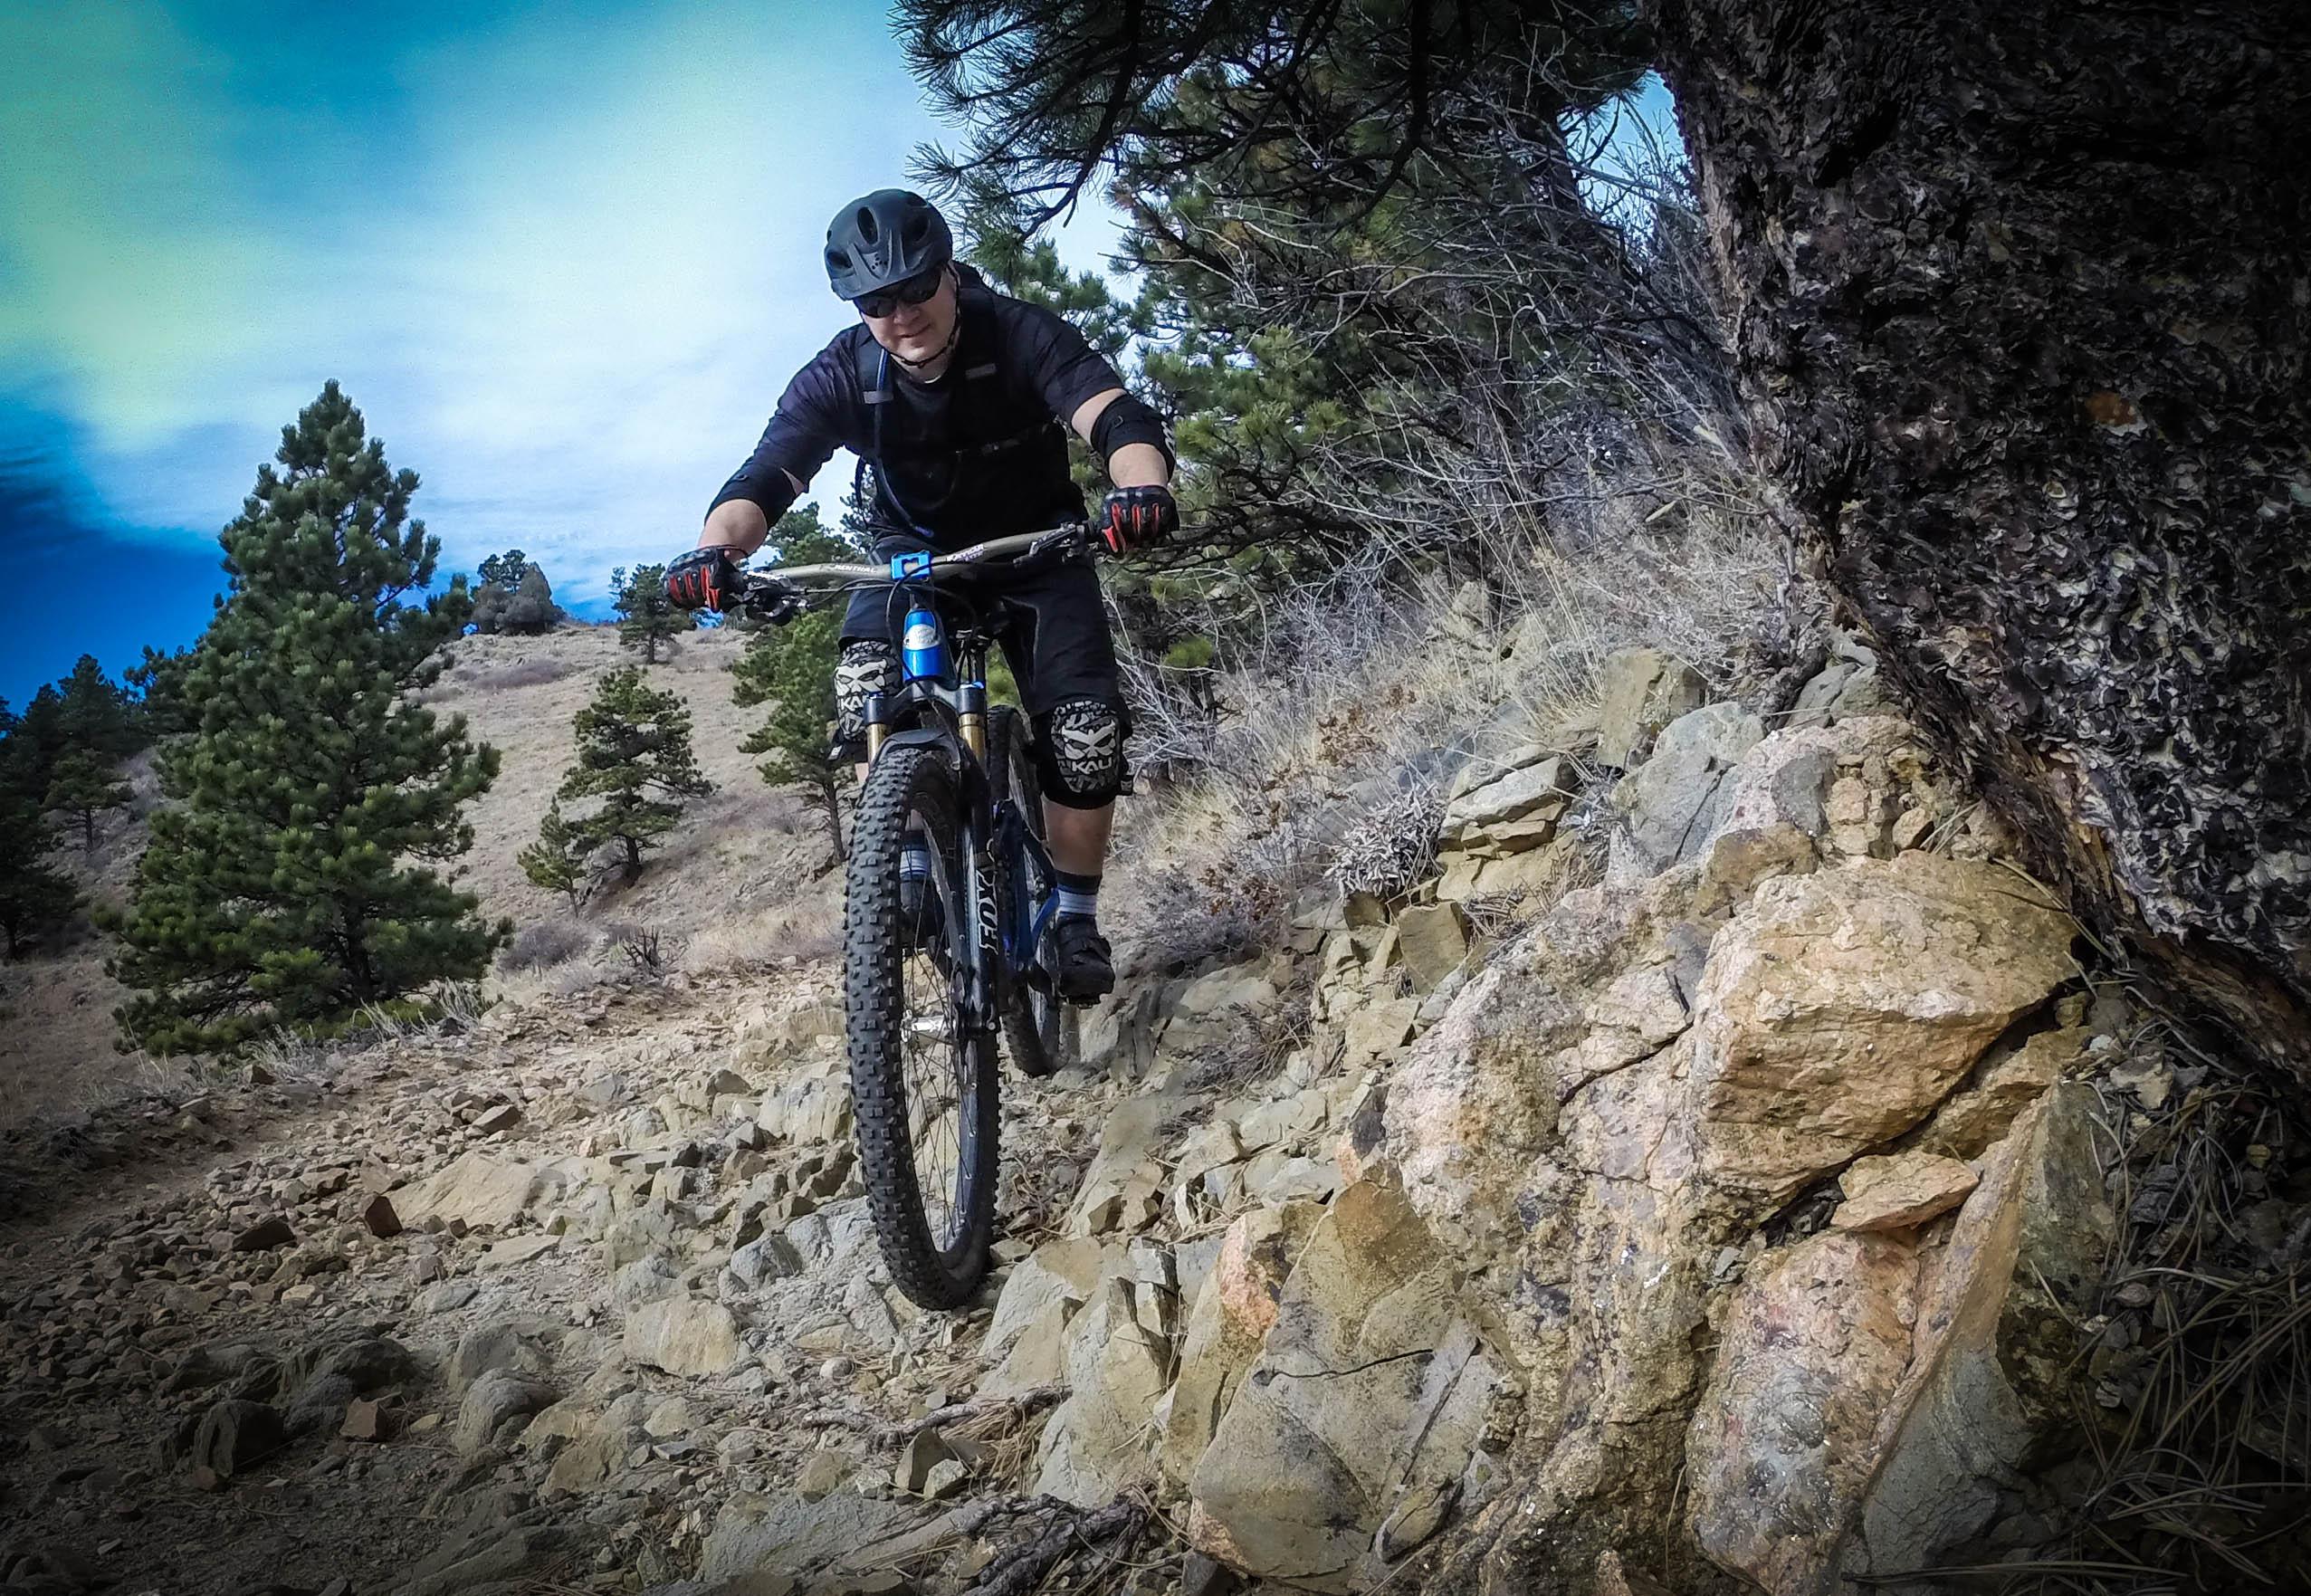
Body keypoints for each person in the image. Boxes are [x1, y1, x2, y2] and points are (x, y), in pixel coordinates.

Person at [664, 188, 1177, 1001]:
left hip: (1036, 546)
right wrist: (713, 550)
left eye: (913, 288)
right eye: (875, 301)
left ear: (947, 273)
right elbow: (768, 472)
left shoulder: (1018, 332)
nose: (899, 313)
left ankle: (1075, 916)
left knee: (1082, 731)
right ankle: (901, 867)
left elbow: (1113, 417)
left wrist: (1139, 490)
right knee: (867, 680)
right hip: (915, 559)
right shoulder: (843, 370)